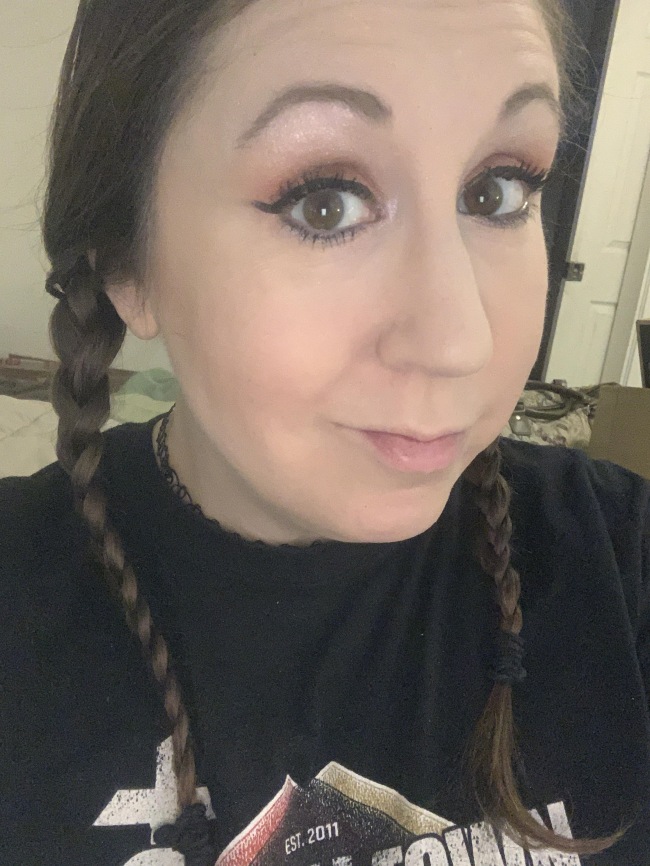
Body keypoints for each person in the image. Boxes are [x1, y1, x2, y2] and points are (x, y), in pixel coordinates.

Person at [1, 0, 649, 864]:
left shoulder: (621, 565)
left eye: (497, 190)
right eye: (325, 203)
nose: (460, 341)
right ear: (126, 263)